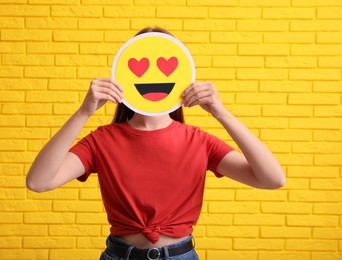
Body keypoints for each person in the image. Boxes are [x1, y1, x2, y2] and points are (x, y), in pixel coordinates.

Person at [26, 27, 285, 260]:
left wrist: (222, 113)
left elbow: (272, 179)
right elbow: (38, 182)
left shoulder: (199, 141)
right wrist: (84, 112)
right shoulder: (102, 140)